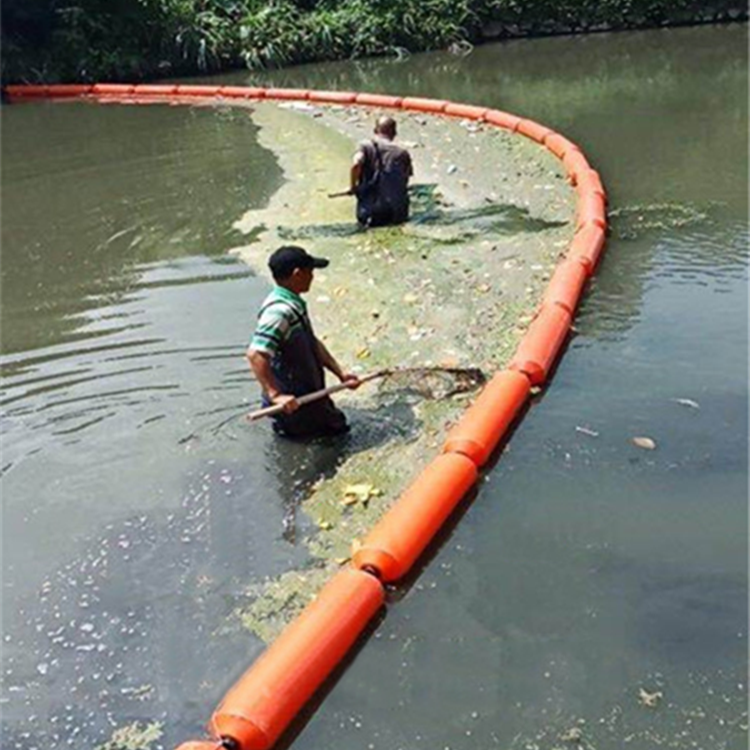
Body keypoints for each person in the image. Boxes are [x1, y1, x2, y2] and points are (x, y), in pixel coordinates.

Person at [247, 245, 361, 438]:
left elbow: (310, 341)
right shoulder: (278, 312)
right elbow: (256, 354)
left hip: (310, 396)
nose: (313, 277)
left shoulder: (293, 304)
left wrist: (340, 373)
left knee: (338, 431)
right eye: (310, 272)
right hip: (294, 404)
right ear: (297, 274)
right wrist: (275, 395)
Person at [350, 116, 413, 227]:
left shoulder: (365, 146)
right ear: (394, 132)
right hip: (397, 212)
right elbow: (406, 178)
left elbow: (356, 164)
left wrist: (353, 187)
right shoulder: (402, 153)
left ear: (375, 131)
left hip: (370, 210)